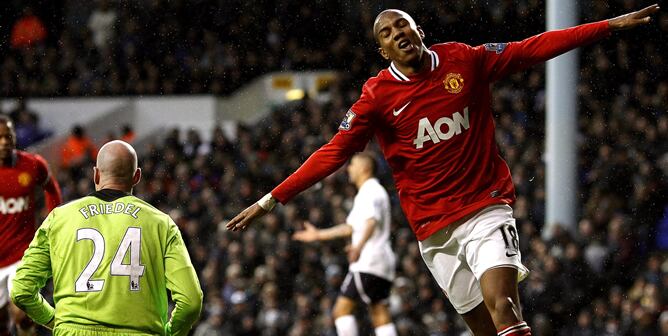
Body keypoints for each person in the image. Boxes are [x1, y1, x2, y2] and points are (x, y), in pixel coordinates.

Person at [228, 4, 660, 336]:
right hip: (434, 232)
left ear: (419, 31)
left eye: (403, 25)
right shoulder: (376, 97)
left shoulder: (464, 61)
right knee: (485, 328)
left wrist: (606, 26)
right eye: (387, 32)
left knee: (504, 304)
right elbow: (333, 152)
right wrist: (271, 200)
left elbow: (533, 47)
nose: (398, 33)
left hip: (486, 208)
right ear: (382, 50)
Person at [11, 140, 203, 336]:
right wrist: (170, 332)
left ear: (95, 174)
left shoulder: (59, 219)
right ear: (137, 177)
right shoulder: (162, 224)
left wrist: (54, 321)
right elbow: (191, 301)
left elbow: (21, 290)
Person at [293, 152, 397, 336]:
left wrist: (358, 247)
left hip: (368, 261)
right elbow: (350, 228)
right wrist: (319, 235)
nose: (349, 168)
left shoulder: (369, 191)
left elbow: (371, 221)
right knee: (379, 313)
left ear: (365, 168)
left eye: (353, 164)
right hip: (382, 262)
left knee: (341, 311)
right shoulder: (374, 191)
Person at [0, 115, 62, 336]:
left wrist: (53, 220)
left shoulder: (32, 164)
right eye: (0, 138)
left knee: (22, 314)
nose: (5, 141)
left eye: (8, 136)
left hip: (22, 254)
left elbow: (51, 187)